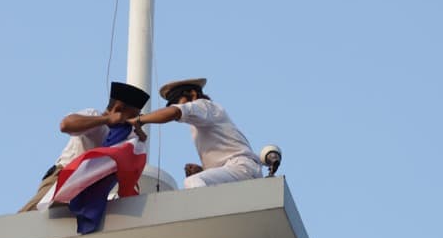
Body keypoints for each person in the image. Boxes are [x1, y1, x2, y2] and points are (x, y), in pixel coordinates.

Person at [19, 81, 150, 212]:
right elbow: (66, 125)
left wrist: (139, 139)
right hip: (63, 177)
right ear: (118, 109)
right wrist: (107, 120)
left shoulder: (123, 136)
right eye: (131, 116)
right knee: (29, 218)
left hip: (84, 189)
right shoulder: (94, 116)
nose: (131, 121)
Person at [128, 77, 261, 189]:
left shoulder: (204, 106)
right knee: (198, 181)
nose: (178, 106)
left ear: (192, 94)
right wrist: (204, 171)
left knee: (191, 182)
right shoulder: (202, 120)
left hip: (242, 167)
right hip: (241, 170)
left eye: (178, 102)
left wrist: (140, 120)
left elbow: (175, 112)